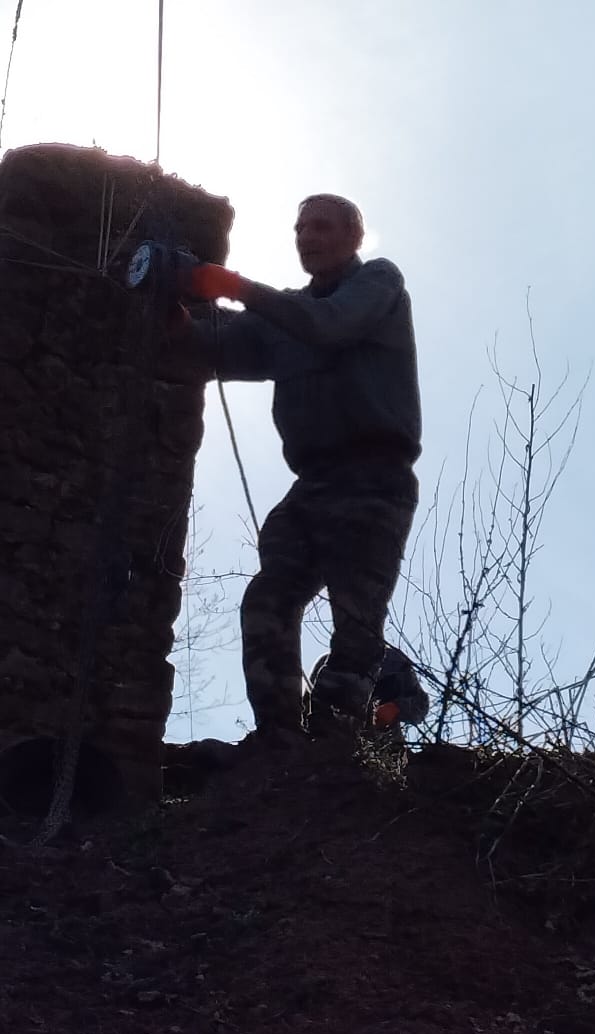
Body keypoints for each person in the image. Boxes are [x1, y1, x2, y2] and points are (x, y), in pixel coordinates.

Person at [168, 193, 422, 755]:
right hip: (314, 481)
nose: (308, 237)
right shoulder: (285, 316)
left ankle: (337, 748)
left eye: (322, 227)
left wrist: (234, 286)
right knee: (269, 597)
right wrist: (174, 308)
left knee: (355, 620)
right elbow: (219, 346)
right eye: (301, 228)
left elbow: (330, 326)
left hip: (375, 477)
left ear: (355, 237)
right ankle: (279, 742)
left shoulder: (378, 282)